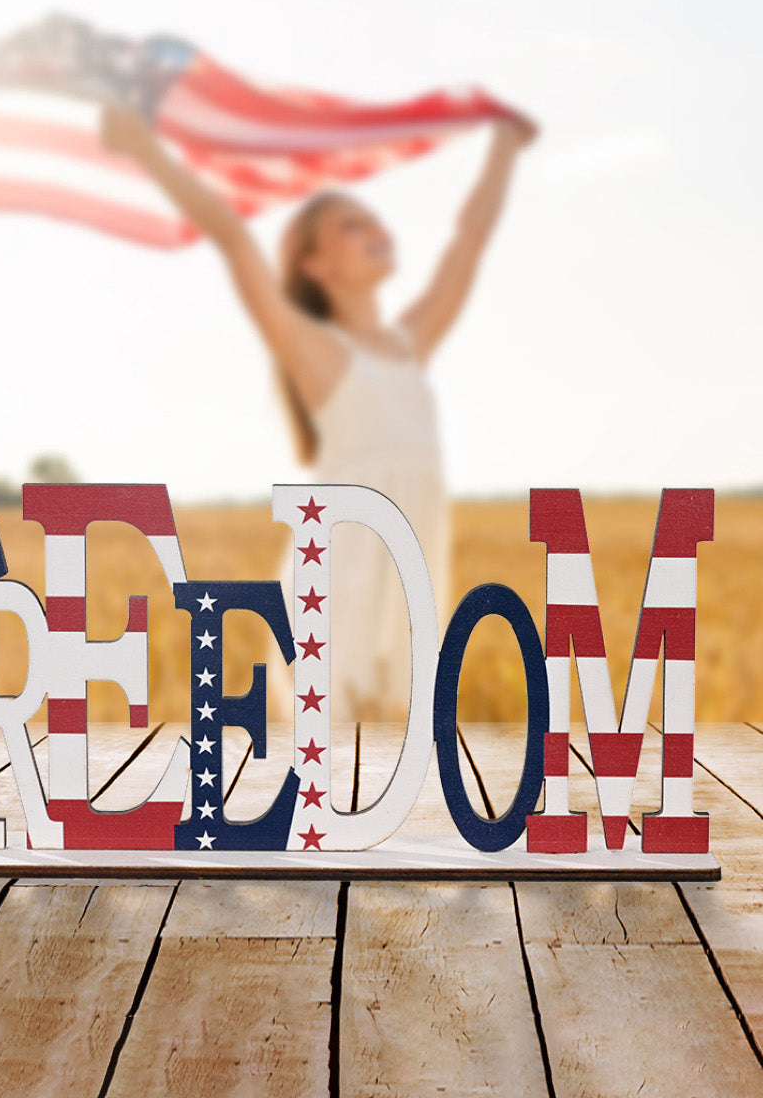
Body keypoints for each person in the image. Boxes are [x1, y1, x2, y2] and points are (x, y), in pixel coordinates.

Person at [102, 102, 539, 721]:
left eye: (372, 219)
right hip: (339, 579)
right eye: (350, 227)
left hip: (410, 575)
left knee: (396, 761)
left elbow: (469, 242)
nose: (373, 228)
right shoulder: (318, 354)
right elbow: (231, 236)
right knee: (336, 772)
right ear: (316, 265)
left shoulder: (410, 343)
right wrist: (147, 152)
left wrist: (503, 146)